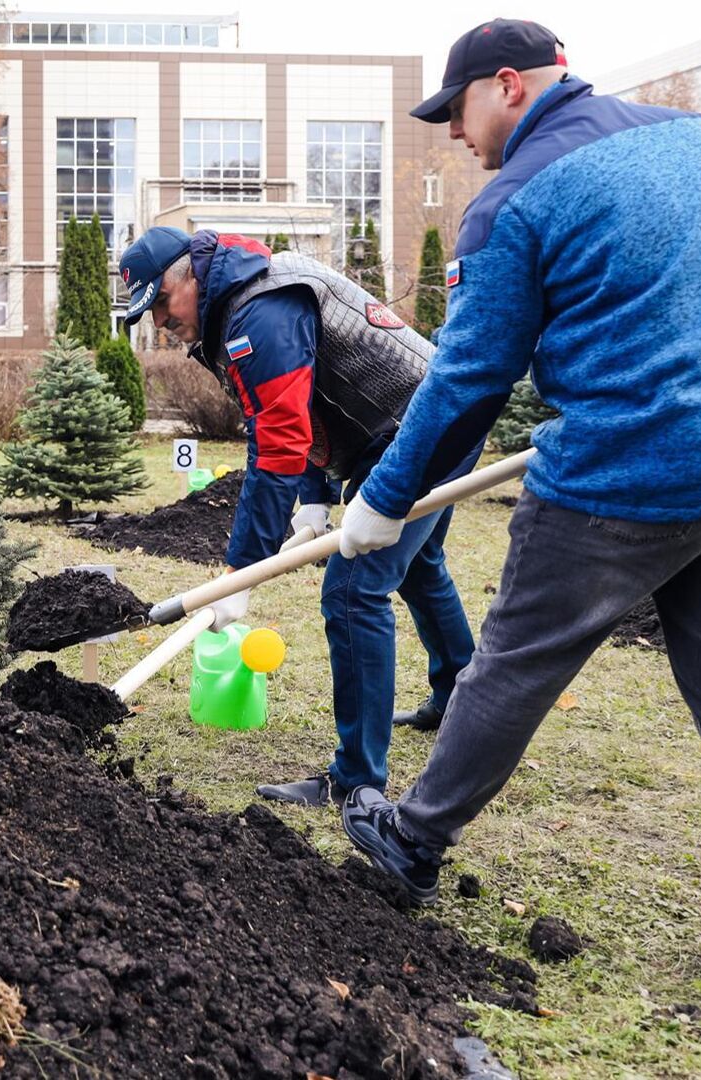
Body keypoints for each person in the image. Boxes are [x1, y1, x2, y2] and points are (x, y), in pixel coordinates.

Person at [335, 19, 701, 1036]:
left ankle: (412, 838)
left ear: (510, 86)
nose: (456, 138)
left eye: (459, 113)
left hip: (632, 467)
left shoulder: (515, 202)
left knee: (516, 657)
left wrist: (384, 496)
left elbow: (468, 378)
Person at [118, 225, 477, 808]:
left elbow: (280, 437)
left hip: (423, 427)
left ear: (190, 274)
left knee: (354, 590)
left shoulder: (257, 311)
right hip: (404, 428)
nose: (159, 321)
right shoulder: (240, 301)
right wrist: (314, 498)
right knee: (417, 566)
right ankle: (461, 699)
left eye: (160, 302)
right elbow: (301, 405)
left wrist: (242, 571)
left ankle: (356, 780)